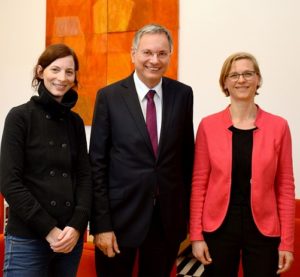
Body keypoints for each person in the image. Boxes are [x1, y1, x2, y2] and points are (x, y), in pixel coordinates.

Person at [89, 23, 194, 276]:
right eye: (147, 52)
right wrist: (101, 225)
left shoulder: (183, 95)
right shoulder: (109, 96)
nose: (154, 60)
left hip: (166, 220)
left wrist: (188, 218)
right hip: (119, 220)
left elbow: (186, 158)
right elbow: (97, 164)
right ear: (133, 53)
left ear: (170, 54)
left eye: (162, 53)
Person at [190, 52, 295, 276]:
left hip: (263, 228)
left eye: (248, 73)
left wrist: (287, 243)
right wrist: (196, 235)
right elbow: (199, 184)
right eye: (234, 75)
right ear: (225, 83)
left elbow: (285, 187)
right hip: (218, 226)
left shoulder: (279, 126)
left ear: (258, 79)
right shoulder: (208, 126)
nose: (241, 80)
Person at [0, 43, 92, 277]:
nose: (62, 77)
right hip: (27, 239)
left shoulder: (75, 122)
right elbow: (9, 182)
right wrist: (49, 230)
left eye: (69, 72)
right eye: (55, 69)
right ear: (40, 72)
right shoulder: (19, 117)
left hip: (69, 240)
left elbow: (84, 177)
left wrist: (76, 226)